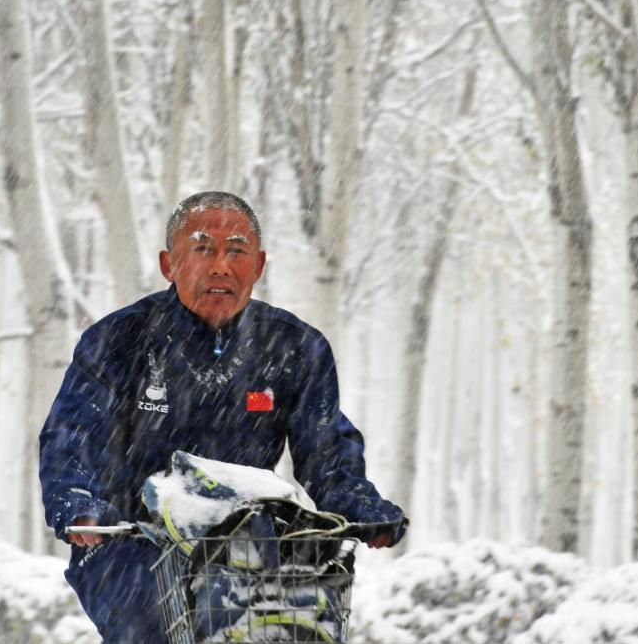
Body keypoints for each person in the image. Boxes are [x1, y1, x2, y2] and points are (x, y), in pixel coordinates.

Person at [39, 191, 406, 643]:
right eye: (202, 249)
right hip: (131, 548)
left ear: (259, 265)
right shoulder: (118, 340)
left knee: (302, 625)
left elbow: (327, 448)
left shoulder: (295, 347)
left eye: (236, 251)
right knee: (154, 622)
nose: (220, 266)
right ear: (168, 264)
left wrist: (359, 504)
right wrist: (78, 504)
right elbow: (69, 435)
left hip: (248, 546)